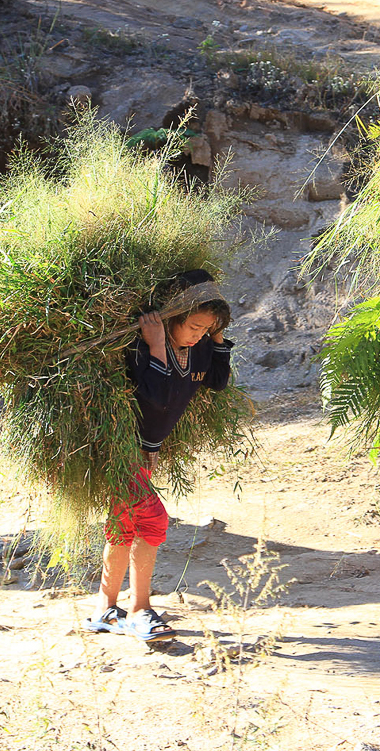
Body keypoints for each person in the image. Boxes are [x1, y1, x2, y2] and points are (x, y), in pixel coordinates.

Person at [84, 270, 233, 642]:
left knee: (124, 525)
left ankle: (104, 610)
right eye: (194, 326)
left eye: (205, 329)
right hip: (116, 448)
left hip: (142, 452)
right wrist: (155, 345)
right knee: (153, 521)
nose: (198, 335)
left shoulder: (199, 345)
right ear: (173, 316)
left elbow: (216, 381)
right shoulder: (141, 346)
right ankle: (139, 610)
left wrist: (215, 338)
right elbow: (157, 395)